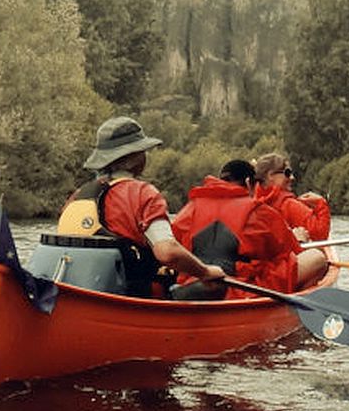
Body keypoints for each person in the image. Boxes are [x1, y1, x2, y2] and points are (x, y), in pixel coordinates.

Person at [58, 116, 225, 297]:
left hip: (78, 291)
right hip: (132, 298)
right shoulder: (143, 193)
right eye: (143, 151)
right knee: (217, 287)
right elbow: (168, 253)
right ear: (134, 158)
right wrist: (205, 271)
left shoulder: (78, 195)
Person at [169, 160, 302, 299]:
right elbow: (290, 252)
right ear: (249, 182)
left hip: (192, 287)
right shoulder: (260, 212)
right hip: (243, 292)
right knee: (315, 258)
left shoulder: (187, 211)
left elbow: (172, 253)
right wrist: (299, 239)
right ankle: (288, 313)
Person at [250, 152, 329, 289]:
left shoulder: (250, 202)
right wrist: (321, 205)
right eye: (287, 172)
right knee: (318, 256)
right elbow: (319, 235)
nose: (292, 177)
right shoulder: (289, 204)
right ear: (270, 175)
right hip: (279, 274)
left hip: (258, 275)